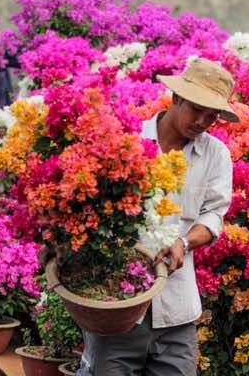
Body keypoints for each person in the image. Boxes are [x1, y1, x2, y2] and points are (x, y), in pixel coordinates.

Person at [78, 58, 238, 375]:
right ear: (176, 97)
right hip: (120, 307)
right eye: (197, 109)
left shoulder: (215, 154)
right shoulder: (128, 142)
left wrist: (183, 242)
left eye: (212, 116)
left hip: (177, 312)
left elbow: (214, 215)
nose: (203, 121)